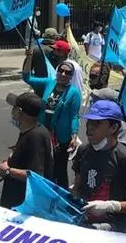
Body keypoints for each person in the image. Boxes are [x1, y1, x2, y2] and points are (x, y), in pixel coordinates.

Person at [71, 100, 126, 233]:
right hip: (83, 218)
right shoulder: (83, 150)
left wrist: (111, 206)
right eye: (89, 122)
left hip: (112, 223)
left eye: (97, 123)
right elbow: (77, 186)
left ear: (113, 128)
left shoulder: (124, 157)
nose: (89, 128)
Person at [21, 49, 82, 188]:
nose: (63, 74)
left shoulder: (74, 93)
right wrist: (29, 58)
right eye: (61, 71)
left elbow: (74, 115)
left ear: (71, 76)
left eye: (67, 73)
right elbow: (27, 78)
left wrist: (74, 134)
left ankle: (62, 198)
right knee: (43, 166)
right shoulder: (49, 83)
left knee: (59, 170)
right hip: (43, 132)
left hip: (60, 138)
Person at [0, 91, 54, 209]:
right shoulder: (31, 131)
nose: (12, 110)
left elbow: (36, 175)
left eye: (14, 107)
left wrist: (8, 170)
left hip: (22, 206)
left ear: (19, 112)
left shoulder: (35, 136)